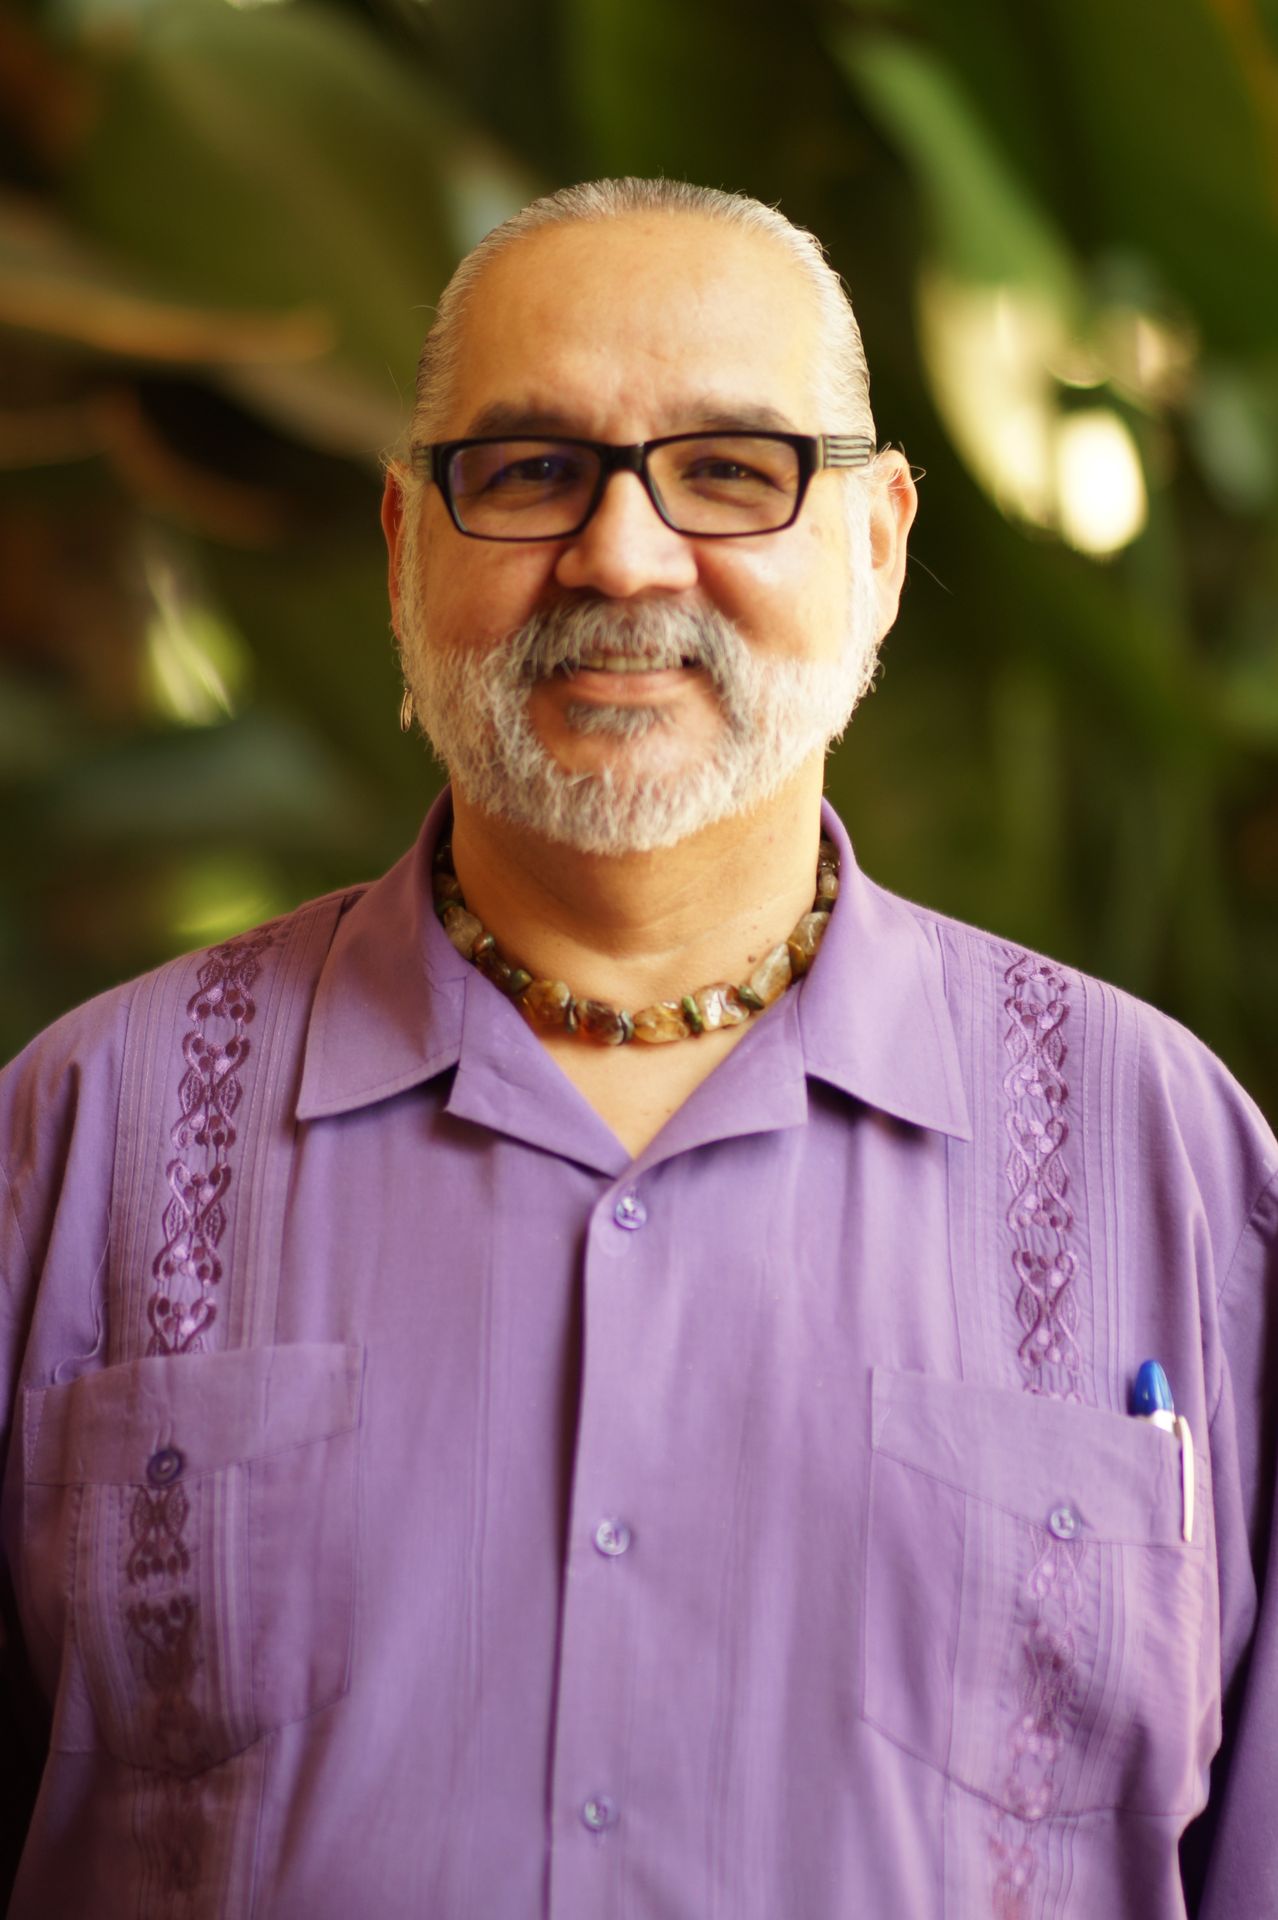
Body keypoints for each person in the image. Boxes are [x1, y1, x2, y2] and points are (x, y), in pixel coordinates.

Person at [0, 177, 1274, 1920]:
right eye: (530, 471)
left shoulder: (1164, 1158)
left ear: (876, 545)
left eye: (731, 471)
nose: (618, 554)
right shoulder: (91, 1134)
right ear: (405, 546)